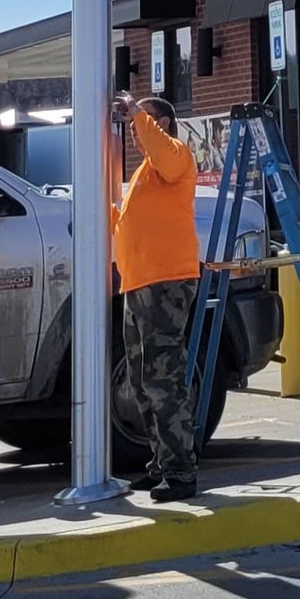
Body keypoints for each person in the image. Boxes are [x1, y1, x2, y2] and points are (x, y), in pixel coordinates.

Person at [111, 92, 202, 499]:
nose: (133, 128)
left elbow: (163, 154)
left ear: (162, 123)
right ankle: (160, 463)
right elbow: (129, 224)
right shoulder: (144, 176)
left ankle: (182, 473)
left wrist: (135, 113)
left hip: (166, 284)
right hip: (138, 284)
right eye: (132, 121)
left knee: (164, 379)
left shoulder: (176, 157)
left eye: (142, 120)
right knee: (142, 380)